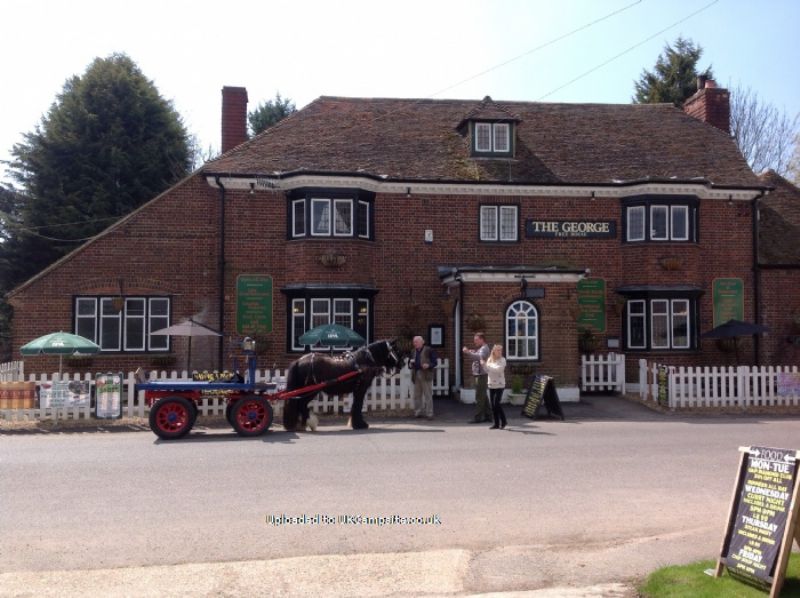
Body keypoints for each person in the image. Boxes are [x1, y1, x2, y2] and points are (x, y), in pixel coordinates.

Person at [462, 332, 492, 423]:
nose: (475, 342)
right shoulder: (482, 348)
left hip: (481, 375)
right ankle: (489, 416)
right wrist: (473, 352)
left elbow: (480, 357)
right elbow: (478, 355)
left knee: (479, 396)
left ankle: (477, 418)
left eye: (476, 340)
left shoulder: (484, 348)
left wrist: (468, 352)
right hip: (480, 374)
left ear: (482, 339)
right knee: (483, 396)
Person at [410, 335, 437, 419]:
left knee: (427, 395)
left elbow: (435, 362)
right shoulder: (413, 351)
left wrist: (428, 365)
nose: (415, 343)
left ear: (422, 342)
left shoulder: (429, 350)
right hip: (416, 373)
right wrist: (410, 363)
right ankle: (418, 412)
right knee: (417, 395)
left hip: (425, 374)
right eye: (414, 342)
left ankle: (429, 414)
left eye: (417, 342)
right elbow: (410, 362)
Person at [483, 344, 507, 429]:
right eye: (498, 350)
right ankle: (496, 424)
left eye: (501, 350)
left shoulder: (503, 360)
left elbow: (498, 370)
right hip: (491, 384)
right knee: (493, 405)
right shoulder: (490, 359)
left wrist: (487, 366)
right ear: (494, 351)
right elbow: (486, 370)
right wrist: (484, 365)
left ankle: (504, 421)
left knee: (497, 403)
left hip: (500, 385)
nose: (500, 352)